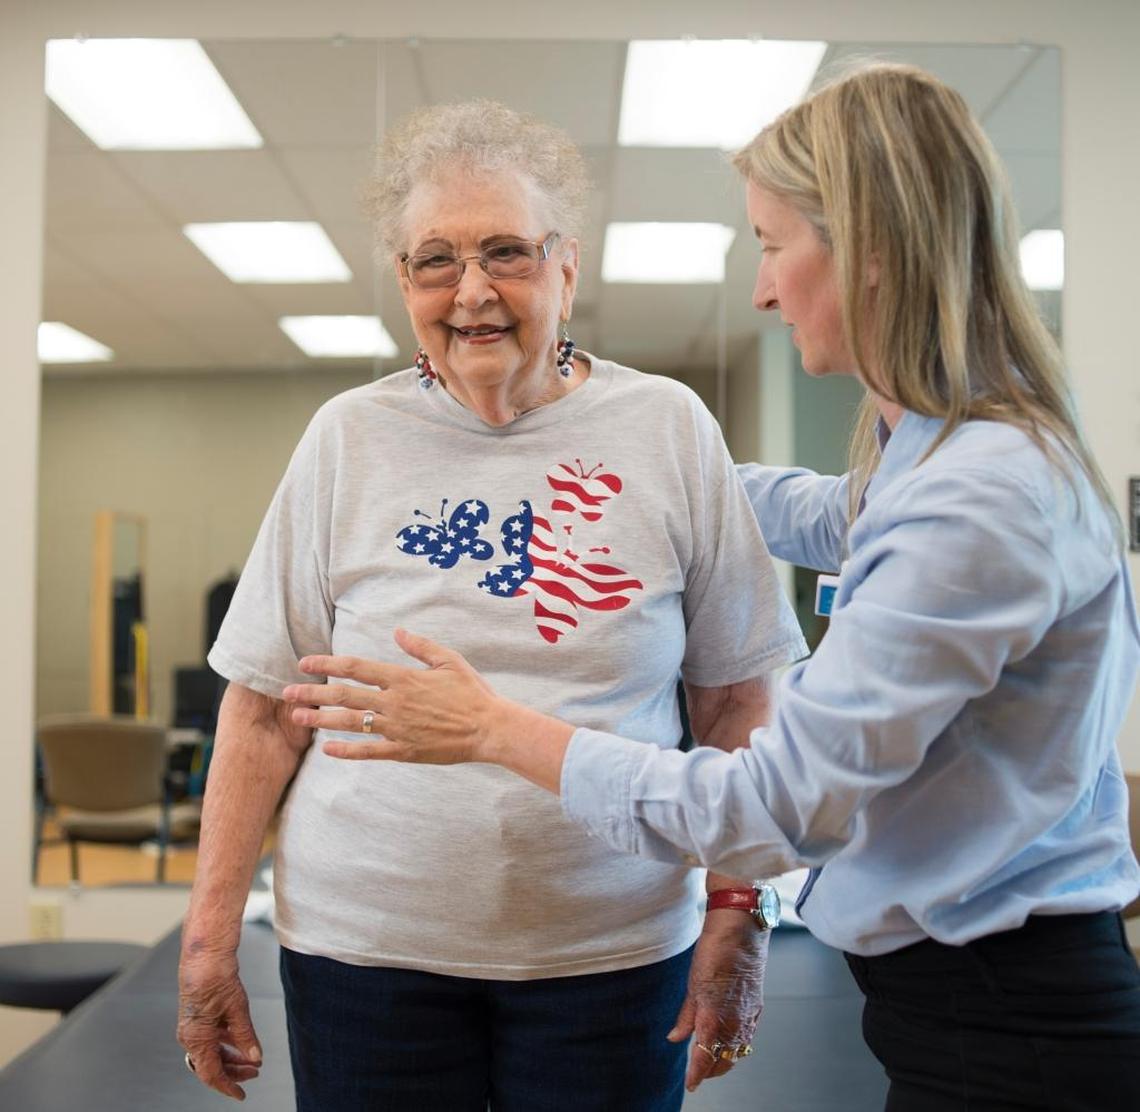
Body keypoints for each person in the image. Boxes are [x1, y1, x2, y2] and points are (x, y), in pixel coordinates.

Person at [286, 65, 1140, 1110]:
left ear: (869, 254)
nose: (764, 287)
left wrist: (491, 727)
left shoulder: (983, 496)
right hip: (948, 1008)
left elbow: (772, 804)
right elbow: (836, 515)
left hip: (1010, 1026)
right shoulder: (933, 452)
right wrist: (632, 462)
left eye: (775, 245)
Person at [176, 99, 808, 1110]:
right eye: (437, 261)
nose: (472, 291)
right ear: (404, 283)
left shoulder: (669, 429)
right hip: (364, 950)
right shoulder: (348, 438)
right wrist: (207, 939)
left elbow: (737, 702)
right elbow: (258, 710)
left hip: (611, 951)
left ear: (567, 266)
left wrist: (742, 904)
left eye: (506, 252)